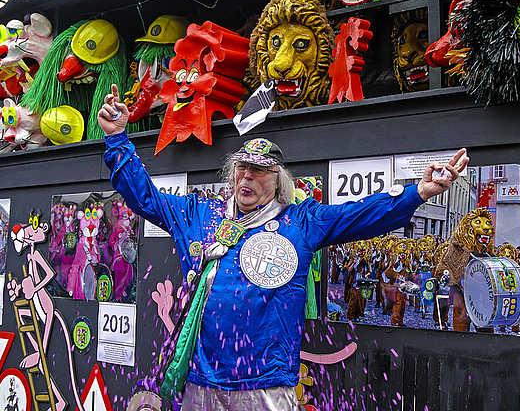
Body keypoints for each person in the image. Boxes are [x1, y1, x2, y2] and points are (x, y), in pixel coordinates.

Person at [98, 84, 468, 410]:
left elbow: (360, 213)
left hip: (267, 386)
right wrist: (117, 139)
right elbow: (144, 197)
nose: (247, 176)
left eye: (259, 171)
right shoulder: (198, 214)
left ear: (277, 181)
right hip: (201, 382)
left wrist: (418, 193)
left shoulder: (302, 221)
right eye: (242, 168)